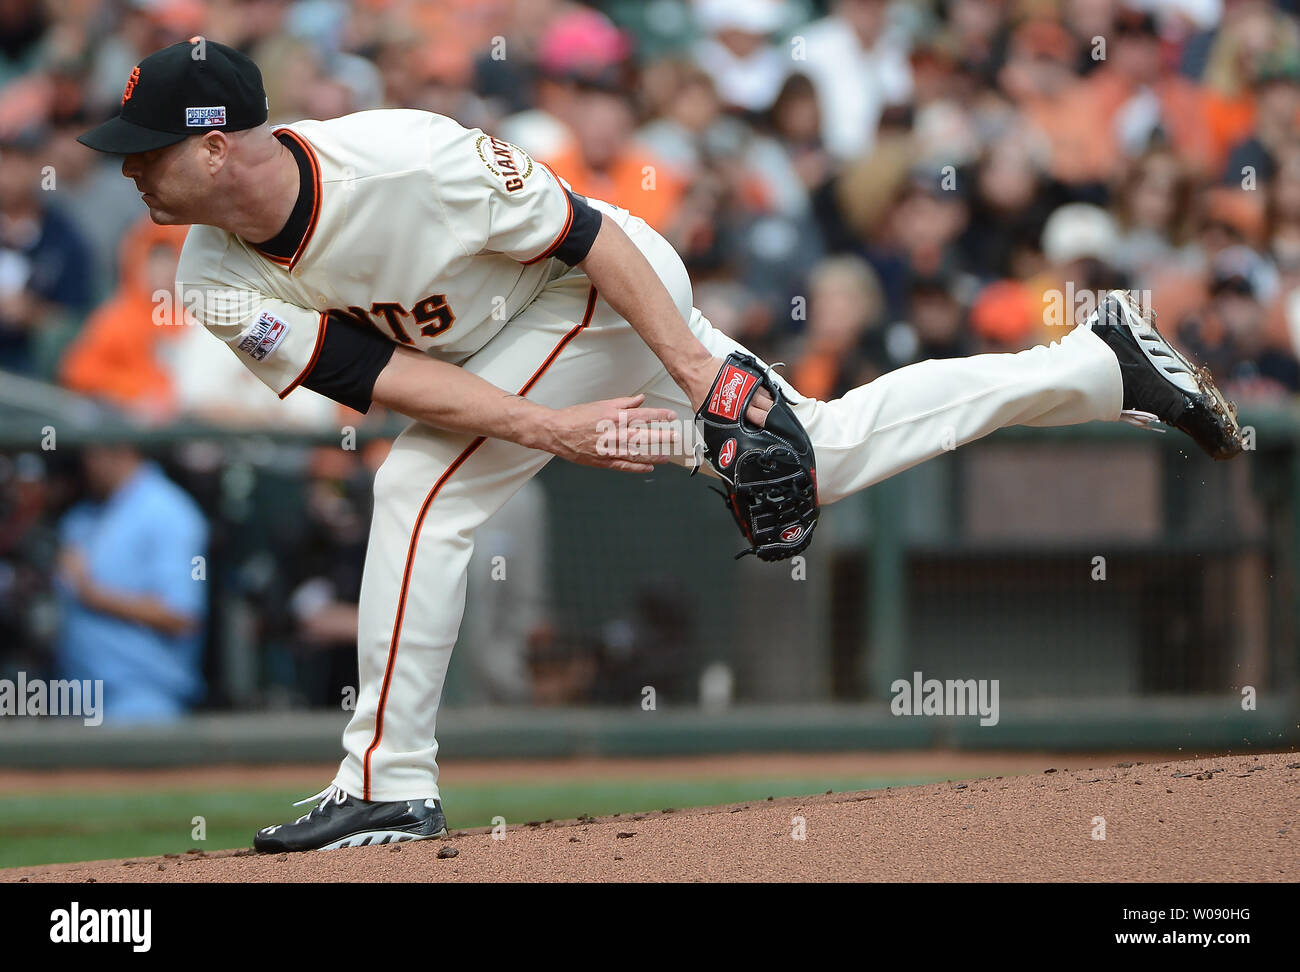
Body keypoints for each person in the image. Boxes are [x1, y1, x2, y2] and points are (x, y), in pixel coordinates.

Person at [79, 39, 1242, 852]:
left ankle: (386, 784)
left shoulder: (406, 156)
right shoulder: (211, 275)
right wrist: (562, 430)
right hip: (508, 358)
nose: (127, 166)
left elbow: (588, 237)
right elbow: (373, 376)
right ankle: (1097, 367)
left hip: (602, 294)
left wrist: (697, 373)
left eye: (146, 147)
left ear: (221, 143)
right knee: (814, 454)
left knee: (420, 494)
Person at [54, 442, 208, 723]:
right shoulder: (82, 515)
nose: (85, 463)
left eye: (91, 452)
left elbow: (182, 615)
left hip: (143, 704)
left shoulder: (168, 512)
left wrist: (93, 595)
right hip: (76, 702)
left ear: (123, 449)